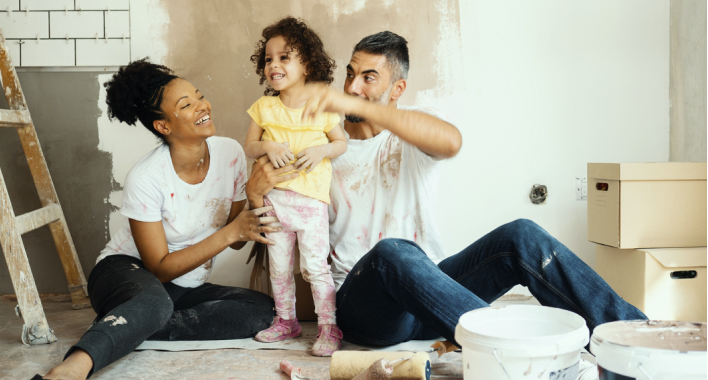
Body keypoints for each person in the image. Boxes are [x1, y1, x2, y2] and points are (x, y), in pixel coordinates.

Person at [293, 31, 648, 347]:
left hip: (432, 299)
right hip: (368, 307)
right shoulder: (322, 149)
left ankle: (633, 337)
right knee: (393, 253)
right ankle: (518, 349)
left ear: (397, 89)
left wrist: (356, 105)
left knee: (521, 235)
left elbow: (450, 141)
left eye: (369, 78)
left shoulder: (411, 130)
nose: (353, 87)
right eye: (350, 75)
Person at [33, 59, 299, 380]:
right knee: (155, 301)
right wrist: (233, 231)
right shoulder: (146, 177)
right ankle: (73, 367)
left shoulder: (229, 154)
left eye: (199, 96)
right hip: (126, 271)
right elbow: (159, 267)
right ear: (164, 126)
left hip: (184, 285)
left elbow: (240, 237)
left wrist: (254, 198)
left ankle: (126, 324)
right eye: (187, 105)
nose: (203, 106)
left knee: (265, 311)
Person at [244, 16, 347, 356]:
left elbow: (340, 143)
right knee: (279, 267)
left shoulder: (323, 103)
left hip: (311, 203)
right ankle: (285, 320)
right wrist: (269, 146)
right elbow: (250, 146)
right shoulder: (264, 107)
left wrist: (321, 150)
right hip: (275, 202)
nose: (274, 64)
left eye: (284, 57)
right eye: (269, 59)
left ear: (307, 63)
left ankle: (329, 328)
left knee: (315, 267)